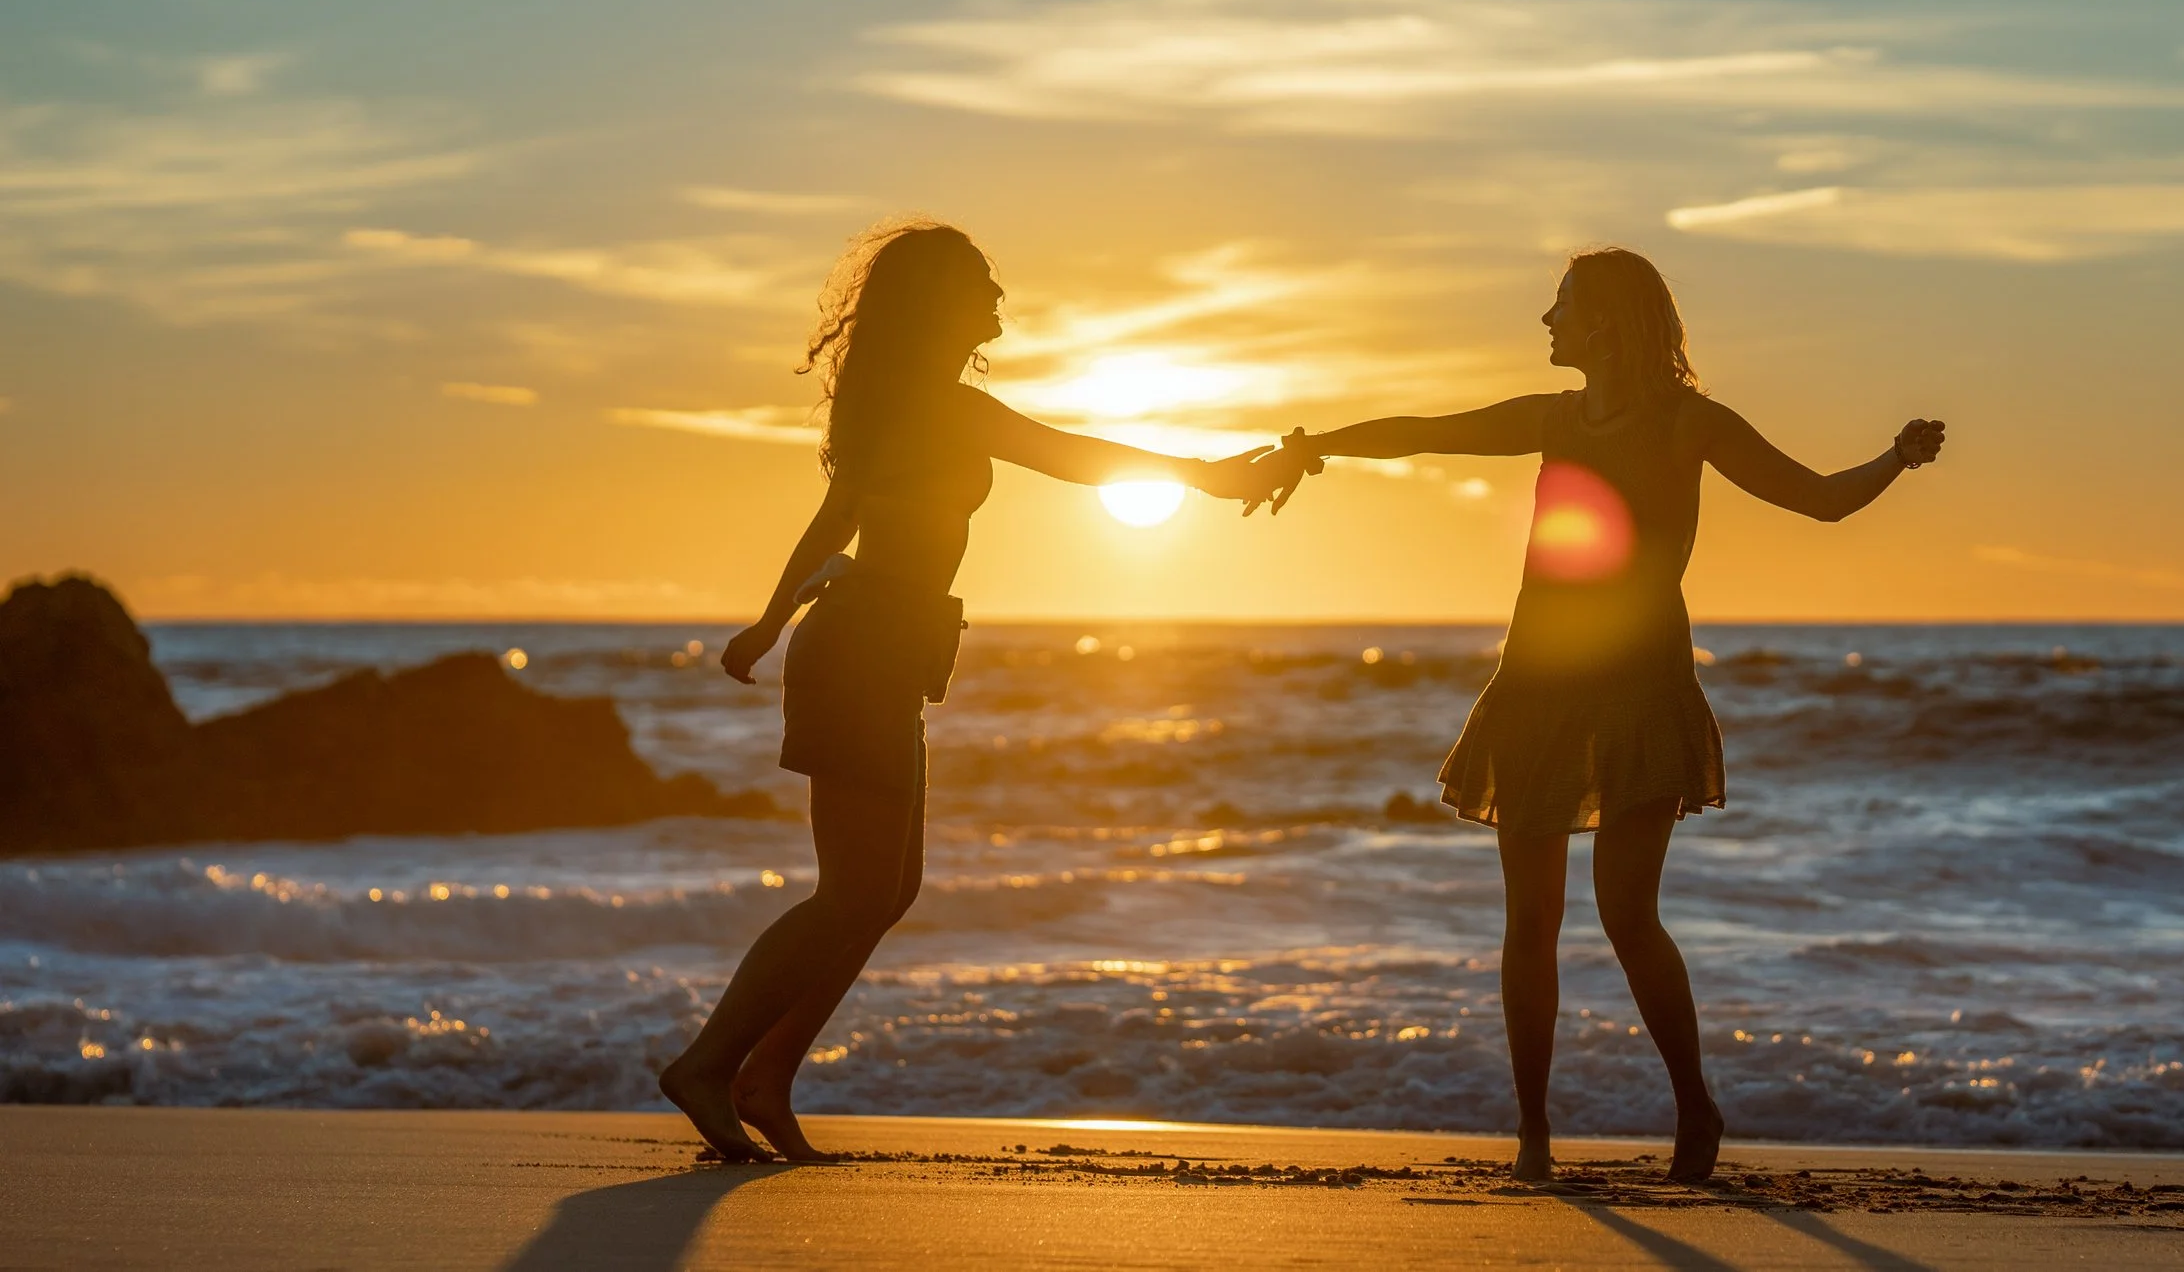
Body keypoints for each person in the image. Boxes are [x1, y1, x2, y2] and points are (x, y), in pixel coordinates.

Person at [1268, 247, 1944, 1184]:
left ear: (1607, 324)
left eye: (1561, 304)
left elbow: (1820, 500)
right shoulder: (1554, 418)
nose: (1546, 319)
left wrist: (1896, 459)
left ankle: (1695, 1107)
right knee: (1529, 920)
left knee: (1627, 913)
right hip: (1537, 686)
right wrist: (1317, 444)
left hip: (1638, 690)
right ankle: (1534, 1137)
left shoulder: (1687, 422)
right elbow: (1431, 431)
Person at [660, 220, 1297, 1162]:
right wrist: (1201, 475)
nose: (999, 300)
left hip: (883, 641)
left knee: (887, 888)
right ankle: (709, 1065)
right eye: (983, 286)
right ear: (939, 305)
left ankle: (765, 1075)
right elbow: (1072, 454)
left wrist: (770, 619)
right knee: (853, 892)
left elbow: (834, 517)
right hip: (864, 643)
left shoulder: (892, 402)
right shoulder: (942, 407)